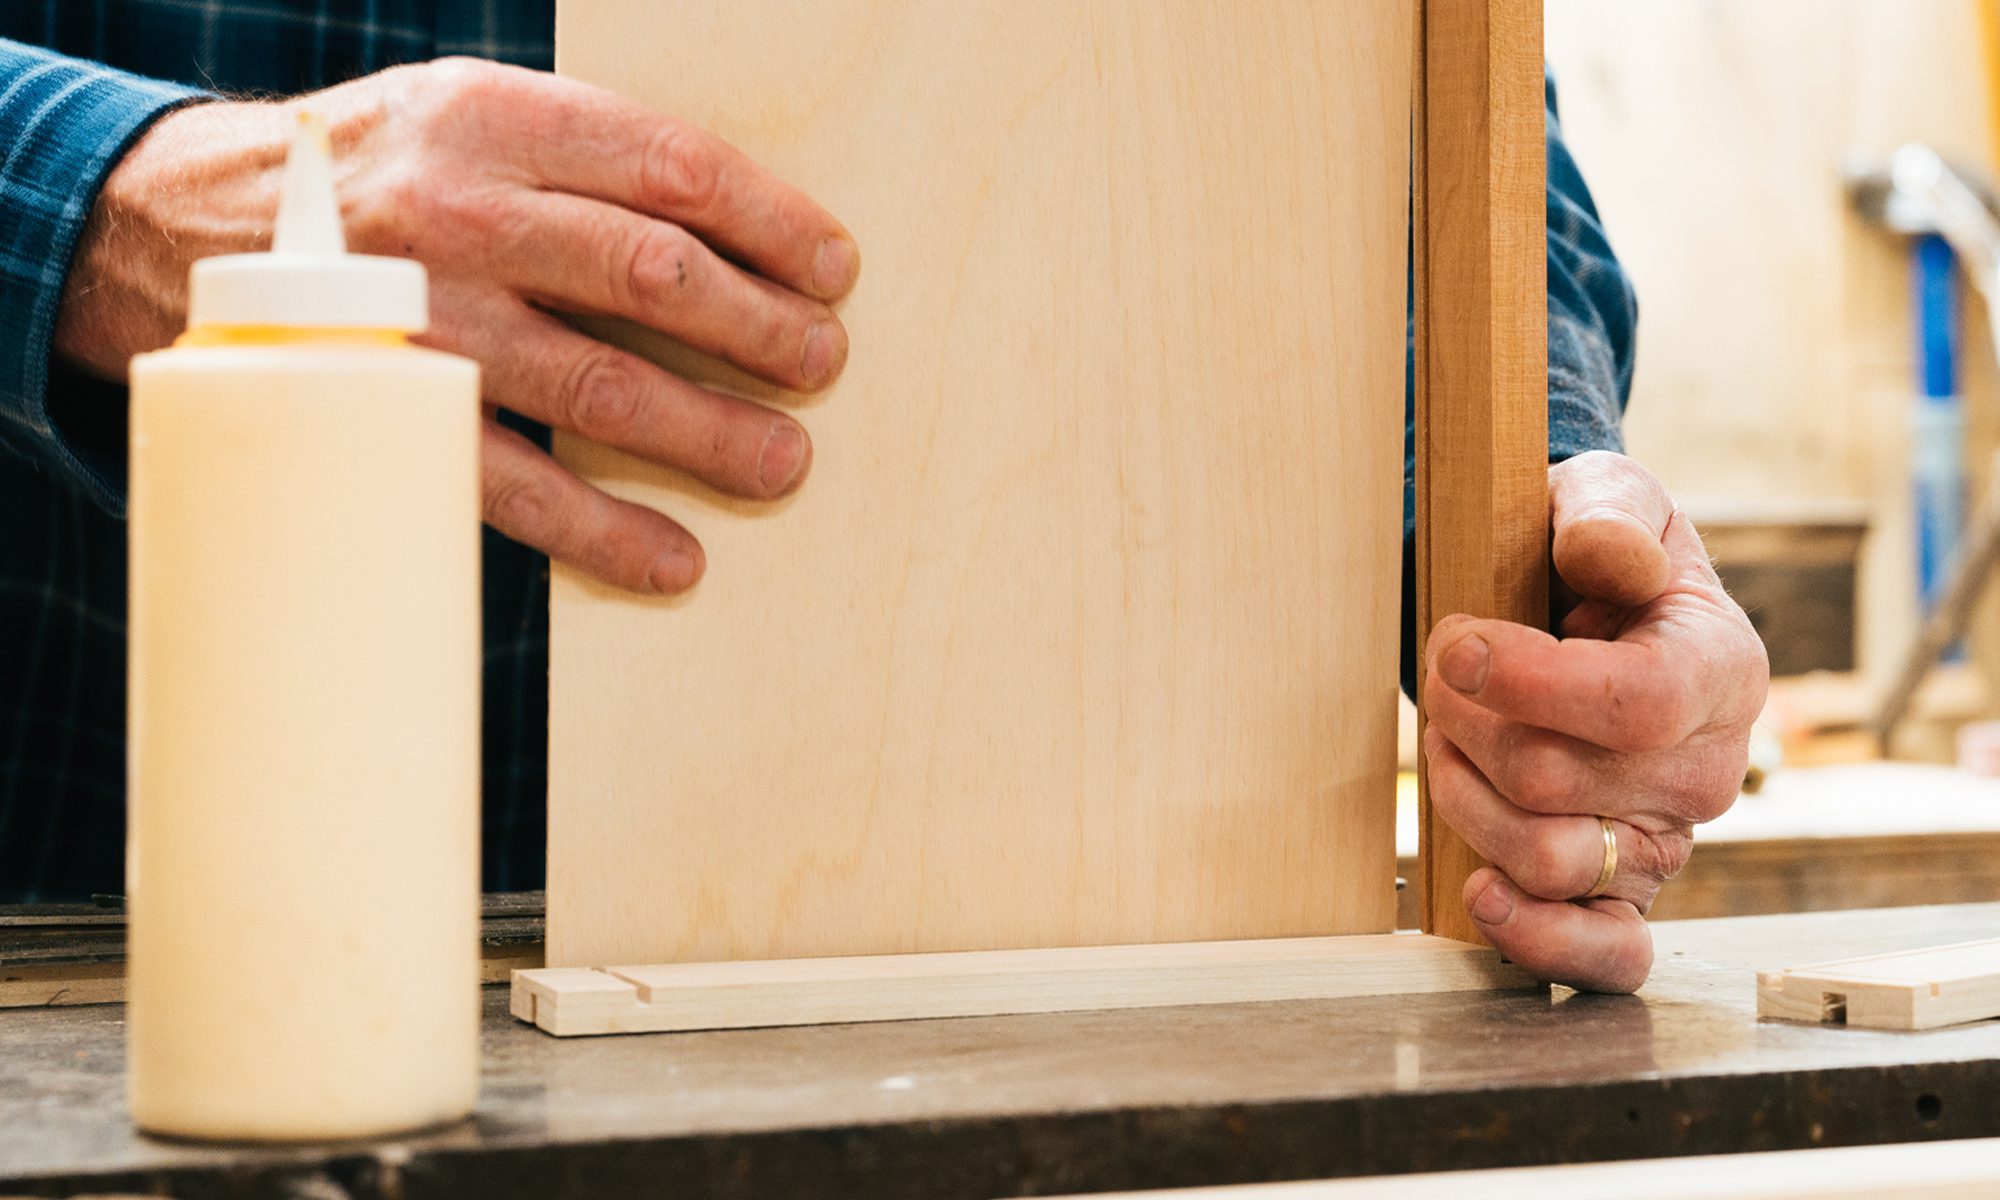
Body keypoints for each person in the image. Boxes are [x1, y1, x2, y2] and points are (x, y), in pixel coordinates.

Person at [0, 6, 1767, 994]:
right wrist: (115, 200)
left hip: (1035, 988)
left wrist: (1524, 511)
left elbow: (1445, 123)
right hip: (91, 946)